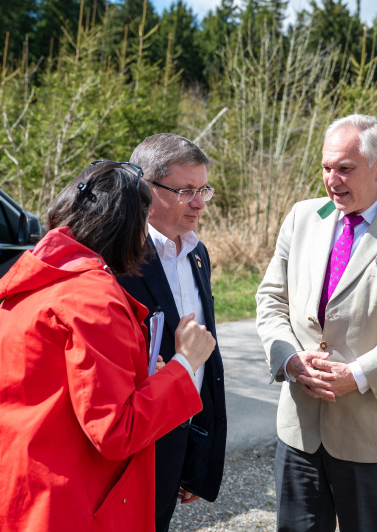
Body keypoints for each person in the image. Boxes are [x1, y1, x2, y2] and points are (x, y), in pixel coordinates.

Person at [0, 161, 216, 532]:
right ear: (129, 230)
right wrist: (184, 363)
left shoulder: (37, 278)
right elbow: (116, 430)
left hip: (1, 485)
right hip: (54, 502)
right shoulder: (92, 300)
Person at [255, 114, 377, 532]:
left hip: (373, 432)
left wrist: (358, 375)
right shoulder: (302, 217)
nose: (332, 179)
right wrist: (289, 359)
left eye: (345, 168)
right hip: (300, 428)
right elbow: (271, 299)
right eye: (326, 167)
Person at [117, 134, 226, 532]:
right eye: (185, 191)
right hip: (134, 445)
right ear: (145, 188)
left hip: (179, 435)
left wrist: (197, 453)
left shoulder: (198, 253)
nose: (198, 203)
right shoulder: (118, 257)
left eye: (203, 190)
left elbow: (204, 361)